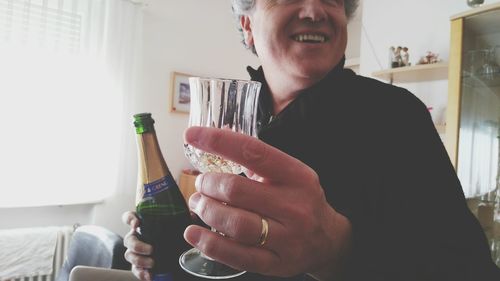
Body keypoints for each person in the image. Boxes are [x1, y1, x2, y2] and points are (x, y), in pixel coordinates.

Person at [123, 0, 500, 280]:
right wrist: (166, 248)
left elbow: (470, 269)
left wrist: (340, 251)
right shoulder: (237, 116)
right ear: (247, 25)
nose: (316, 10)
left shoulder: (396, 116)